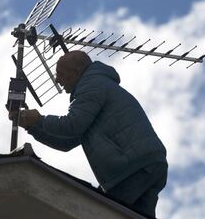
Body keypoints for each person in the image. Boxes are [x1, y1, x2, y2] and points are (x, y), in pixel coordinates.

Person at [12, 50, 167, 218]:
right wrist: (33, 127)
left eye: (61, 74)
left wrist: (39, 120)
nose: (57, 79)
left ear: (76, 73)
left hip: (132, 169)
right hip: (148, 163)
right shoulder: (97, 84)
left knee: (101, 214)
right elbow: (67, 142)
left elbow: (72, 125)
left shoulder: (91, 84)